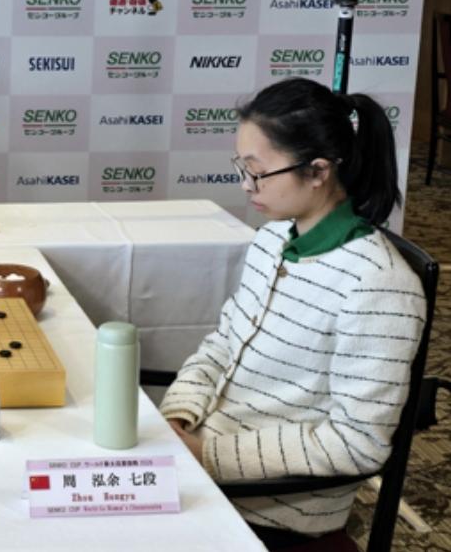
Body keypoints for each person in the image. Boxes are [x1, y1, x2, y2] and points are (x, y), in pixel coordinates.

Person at [159, 77, 425, 549]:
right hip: (205, 472)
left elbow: (358, 442)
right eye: (242, 168)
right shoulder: (273, 239)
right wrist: (178, 416)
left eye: (258, 173)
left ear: (318, 170)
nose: (246, 186)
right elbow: (223, 343)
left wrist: (209, 455)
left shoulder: (378, 284)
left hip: (269, 509)